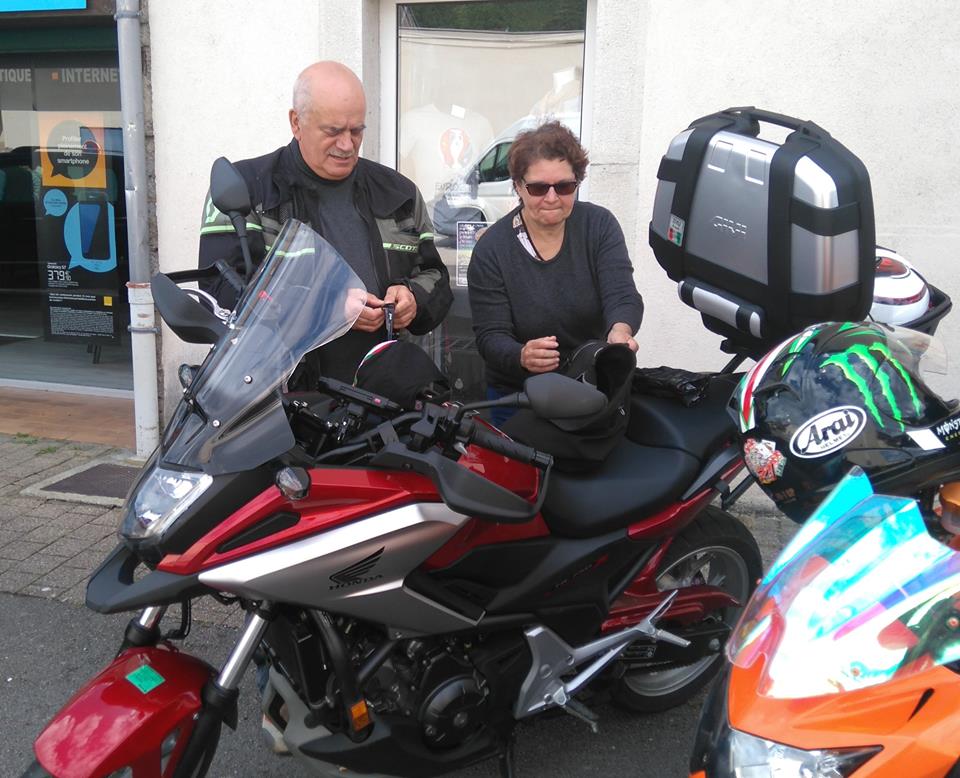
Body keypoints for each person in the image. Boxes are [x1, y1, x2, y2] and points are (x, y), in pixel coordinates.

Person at [198, 61, 452, 385]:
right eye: (333, 131)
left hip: (382, 392)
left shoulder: (399, 194)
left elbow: (435, 276)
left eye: (356, 131)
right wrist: (327, 311)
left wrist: (414, 298)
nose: (347, 145)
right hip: (279, 393)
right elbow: (219, 294)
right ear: (296, 122)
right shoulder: (246, 190)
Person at [467, 121, 643, 422]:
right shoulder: (492, 249)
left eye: (564, 187)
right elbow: (490, 335)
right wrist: (521, 355)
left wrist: (620, 330)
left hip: (591, 386)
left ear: (577, 182)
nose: (551, 198)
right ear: (518, 186)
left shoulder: (599, 226)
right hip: (520, 396)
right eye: (538, 188)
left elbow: (622, 293)